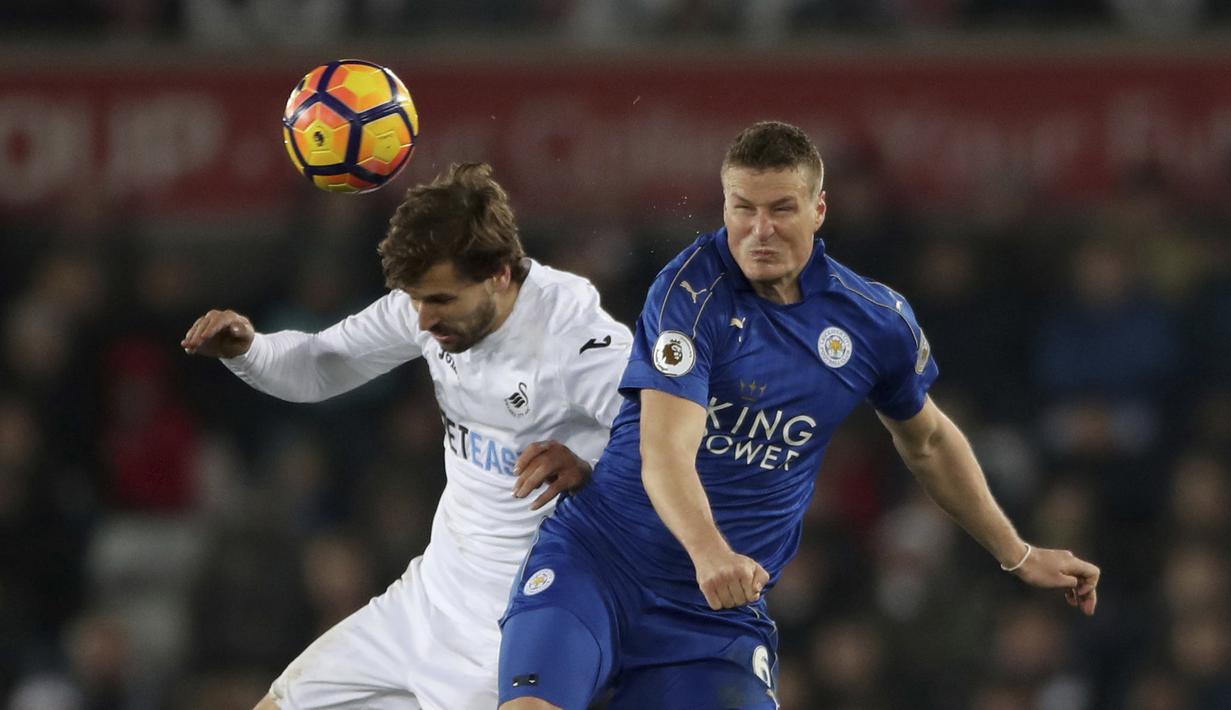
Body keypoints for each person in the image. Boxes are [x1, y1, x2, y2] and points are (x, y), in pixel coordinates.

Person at [497, 122, 1101, 710]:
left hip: (714, 621)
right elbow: (668, 451)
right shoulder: (690, 291)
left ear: (819, 210)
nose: (759, 230)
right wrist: (711, 553)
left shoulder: (874, 320)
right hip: (599, 567)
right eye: (742, 208)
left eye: (781, 209)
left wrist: (1016, 553)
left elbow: (930, 442)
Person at [179, 162, 633, 710]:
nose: (422, 320)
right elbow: (320, 365)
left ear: (501, 275)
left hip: (520, 625)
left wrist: (595, 467)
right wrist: (248, 350)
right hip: (426, 601)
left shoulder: (578, 344)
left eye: (440, 300)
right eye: (414, 298)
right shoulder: (425, 305)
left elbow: (688, 449)